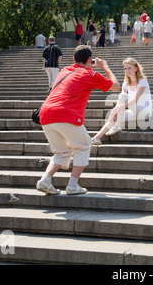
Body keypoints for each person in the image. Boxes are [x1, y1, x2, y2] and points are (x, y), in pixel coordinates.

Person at [36, 45, 120, 195]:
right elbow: (115, 87)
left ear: (74, 59)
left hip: (46, 114)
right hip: (65, 113)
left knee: (62, 151)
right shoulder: (90, 74)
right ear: (89, 59)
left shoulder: (64, 70)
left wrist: (89, 65)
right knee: (83, 145)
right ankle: (73, 185)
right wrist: (105, 67)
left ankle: (45, 180)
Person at [91, 57, 152, 145]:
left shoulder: (143, 81)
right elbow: (121, 98)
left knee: (120, 102)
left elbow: (135, 100)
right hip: (133, 111)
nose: (127, 70)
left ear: (136, 68)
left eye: (130, 68)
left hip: (144, 111)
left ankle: (116, 126)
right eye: (125, 68)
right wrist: (116, 110)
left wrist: (117, 108)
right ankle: (97, 138)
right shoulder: (126, 82)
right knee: (114, 117)